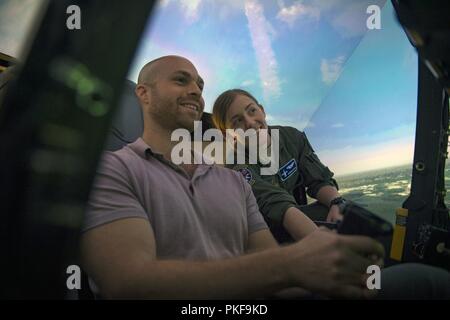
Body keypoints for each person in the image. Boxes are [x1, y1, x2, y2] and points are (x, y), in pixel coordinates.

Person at [80, 55, 450, 299]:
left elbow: (273, 267)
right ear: (142, 94)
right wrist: (294, 263)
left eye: (199, 84)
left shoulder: (229, 183)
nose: (195, 90)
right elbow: (126, 285)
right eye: (181, 80)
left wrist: (329, 269)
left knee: (422, 282)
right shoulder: (112, 171)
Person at [212, 89, 344, 242]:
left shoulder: (292, 137)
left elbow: (319, 179)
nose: (249, 122)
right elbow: (274, 204)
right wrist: (324, 246)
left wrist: (336, 203)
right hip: (267, 232)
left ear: (262, 110)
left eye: (252, 111)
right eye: (237, 121)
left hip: (297, 214)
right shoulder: (236, 166)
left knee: (344, 212)